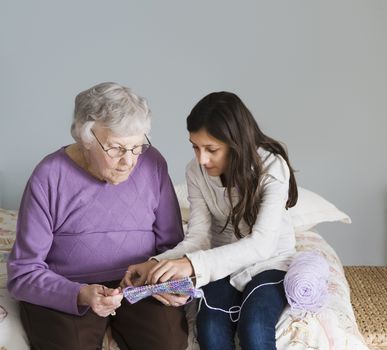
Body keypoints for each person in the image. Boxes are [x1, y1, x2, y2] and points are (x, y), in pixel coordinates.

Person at [7, 82, 188, 349]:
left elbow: (173, 246)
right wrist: (79, 294)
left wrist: (171, 281)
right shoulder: (49, 175)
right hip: (70, 285)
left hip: (141, 283)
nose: (129, 161)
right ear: (86, 139)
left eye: (137, 147)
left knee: (167, 343)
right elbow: (23, 273)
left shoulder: (153, 163)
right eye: (116, 148)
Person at [123, 91, 298, 350]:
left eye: (211, 149)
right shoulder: (195, 172)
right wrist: (156, 264)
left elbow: (262, 244)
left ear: (235, 143)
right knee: (210, 328)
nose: (202, 159)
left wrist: (191, 264)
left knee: (254, 326)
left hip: (270, 262)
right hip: (222, 263)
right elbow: (199, 236)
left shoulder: (272, 168)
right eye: (195, 146)